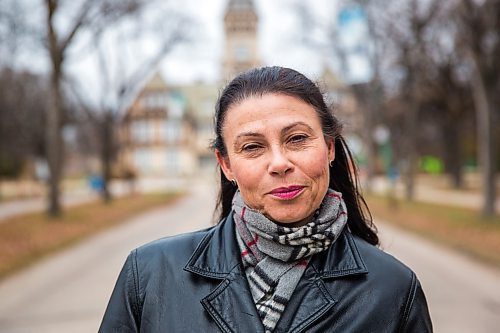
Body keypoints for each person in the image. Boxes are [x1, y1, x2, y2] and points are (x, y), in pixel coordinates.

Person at [99, 66, 433, 332]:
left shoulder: (394, 290)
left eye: (297, 139)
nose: (279, 163)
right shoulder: (150, 275)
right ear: (226, 164)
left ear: (329, 147)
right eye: (252, 147)